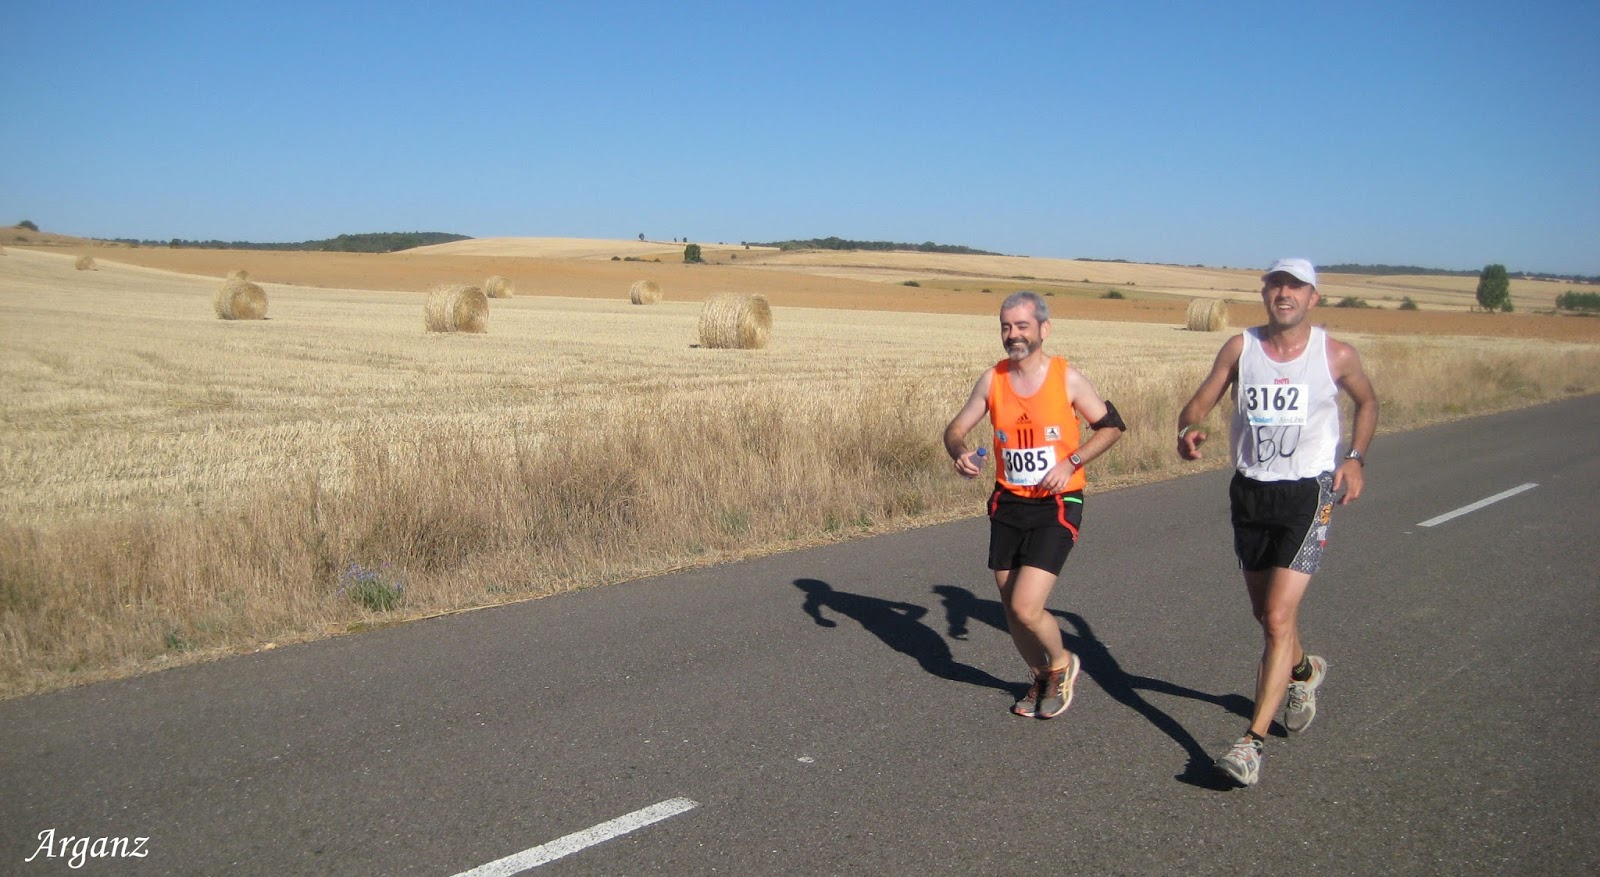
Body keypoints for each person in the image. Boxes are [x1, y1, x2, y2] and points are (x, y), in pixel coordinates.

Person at [1176, 257, 1378, 787]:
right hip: (1249, 492)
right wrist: (1190, 427)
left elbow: (1367, 401)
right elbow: (1201, 398)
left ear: (1313, 298)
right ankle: (1305, 671)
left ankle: (1251, 743)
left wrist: (1354, 456)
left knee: (1276, 618)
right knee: (1265, 614)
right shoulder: (1241, 347)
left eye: (1295, 287)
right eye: (1275, 285)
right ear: (1265, 294)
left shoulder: (1334, 354)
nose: (1284, 293)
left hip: (1308, 494)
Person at [944, 291, 1126, 719]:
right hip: (1008, 502)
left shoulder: (1067, 378)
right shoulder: (994, 380)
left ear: (1044, 329)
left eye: (1022, 326)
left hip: (1057, 503)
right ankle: (1040, 676)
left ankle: (1062, 664)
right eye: (1006, 327)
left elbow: (1112, 426)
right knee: (1011, 608)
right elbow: (955, 428)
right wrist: (960, 451)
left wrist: (1073, 460)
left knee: (1027, 605)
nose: (1013, 335)